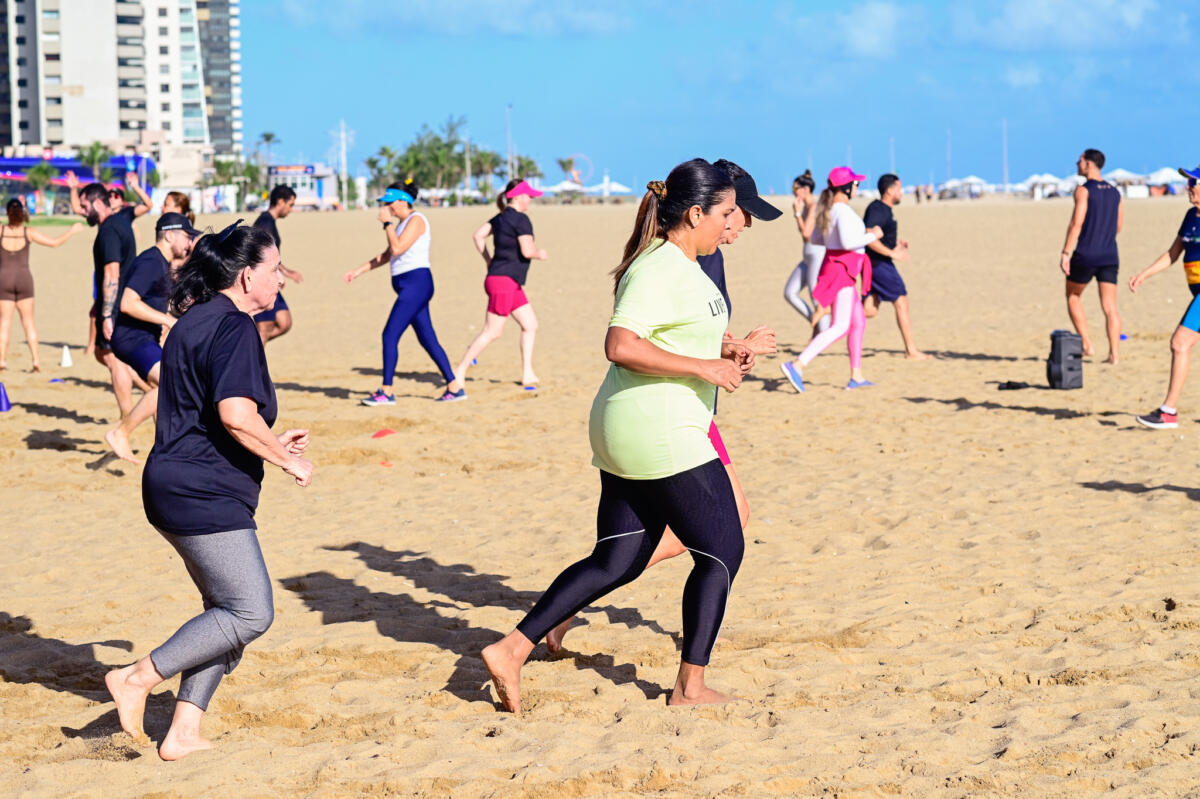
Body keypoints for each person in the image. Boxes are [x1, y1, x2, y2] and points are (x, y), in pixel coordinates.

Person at [482, 159, 752, 712]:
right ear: (694, 213)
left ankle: (511, 649)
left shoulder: (684, 264)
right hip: (659, 428)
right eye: (724, 212)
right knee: (722, 549)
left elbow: (672, 336)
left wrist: (727, 350)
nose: (730, 222)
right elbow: (621, 345)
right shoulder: (657, 266)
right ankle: (689, 689)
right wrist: (704, 368)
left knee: (619, 557)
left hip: (637, 425)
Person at [545, 157, 779, 654]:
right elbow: (637, 339)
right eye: (741, 213)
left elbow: (689, 330)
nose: (745, 225)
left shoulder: (701, 252)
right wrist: (712, 362)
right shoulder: (689, 255)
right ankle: (577, 611)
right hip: (673, 414)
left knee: (653, 543)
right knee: (717, 534)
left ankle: (571, 608)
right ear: (709, 209)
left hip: (688, 408)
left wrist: (734, 346)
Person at [103, 221, 314, 761]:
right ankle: (134, 678)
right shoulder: (235, 327)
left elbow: (210, 412)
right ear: (246, 277)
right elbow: (235, 414)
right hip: (201, 492)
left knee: (222, 613)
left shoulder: (193, 318)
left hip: (172, 483)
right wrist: (286, 459)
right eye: (275, 270)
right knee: (250, 612)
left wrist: (271, 440)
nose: (281, 279)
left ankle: (183, 732)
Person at [343, 178, 460, 404]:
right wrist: (358, 271)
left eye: (390, 202)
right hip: (409, 286)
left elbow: (397, 248)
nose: (386, 207)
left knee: (389, 335)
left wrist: (387, 223)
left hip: (417, 284)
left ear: (403, 201)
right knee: (427, 339)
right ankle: (454, 387)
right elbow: (387, 255)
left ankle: (386, 392)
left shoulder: (417, 220)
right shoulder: (401, 225)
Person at [105, 213, 200, 462]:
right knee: (169, 382)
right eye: (186, 236)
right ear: (169, 235)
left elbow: (152, 302)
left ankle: (166, 445)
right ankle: (120, 433)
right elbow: (128, 303)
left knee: (165, 389)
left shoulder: (162, 263)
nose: (189, 242)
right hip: (132, 338)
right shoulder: (150, 261)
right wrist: (167, 320)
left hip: (144, 338)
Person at [780, 167, 882, 392]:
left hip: (841, 269)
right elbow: (847, 242)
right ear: (846, 188)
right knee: (840, 326)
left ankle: (856, 376)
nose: (857, 188)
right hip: (841, 271)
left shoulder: (830, 210)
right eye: (856, 184)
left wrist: (835, 240)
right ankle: (797, 365)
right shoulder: (841, 211)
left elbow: (816, 238)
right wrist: (872, 235)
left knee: (858, 322)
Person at [450, 179, 549, 393]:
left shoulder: (500, 217)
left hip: (506, 281)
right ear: (518, 197)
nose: (531, 200)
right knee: (493, 331)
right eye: (529, 196)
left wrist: (488, 260)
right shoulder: (522, 220)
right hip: (504, 282)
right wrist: (539, 254)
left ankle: (527, 373)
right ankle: (459, 370)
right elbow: (527, 251)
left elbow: (478, 236)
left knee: (530, 324)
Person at [1129, 166, 1200, 429]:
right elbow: (1173, 253)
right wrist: (1144, 274)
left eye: (1193, 182)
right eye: (1188, 182)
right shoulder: (1191, 216)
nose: (1188, 187)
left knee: (1179, 343)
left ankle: (1168, 411)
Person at [0, 198, 84, 371]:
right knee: (28, 322)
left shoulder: (1, 231)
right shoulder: (28, 232)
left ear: (7, 213)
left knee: (4, 323)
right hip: (24, 279)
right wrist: (71, 231)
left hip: (4, 279)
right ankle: (36, 361)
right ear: (22, 212)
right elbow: (54, 243)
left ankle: (1, 361)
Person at [78, 181, 140, 416]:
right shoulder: (119, 223)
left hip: (115, 304)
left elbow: (112, 274)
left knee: (114, 358)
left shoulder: (109, 231)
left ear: (97, 203)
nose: (83, 212)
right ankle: (150, 391)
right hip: (120, 300)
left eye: (85, 207)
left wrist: (106, 314)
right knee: (102, 353)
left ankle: (128, 416)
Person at [1060, 148, 1123, 364]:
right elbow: (1118, 226)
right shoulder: (1115, 192)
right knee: (1110, 307)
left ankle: (1087, 344)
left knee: (1073, 295)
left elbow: (1076, 223)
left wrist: (1066, 252)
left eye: (1079, 161)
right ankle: (1114, 354)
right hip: (1109, 254)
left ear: (1089, 164)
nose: (1076, 164)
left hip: (1087, 253)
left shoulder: (1083, 190)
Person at [862, 173, 929, 360]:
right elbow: (869, 237)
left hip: (877, 262)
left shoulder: (885, 210)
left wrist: (896, 244)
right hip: (878, 264)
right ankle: (911, 350)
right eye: (899, 188)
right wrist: (892, 253)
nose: (901, 192)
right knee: (901, 300)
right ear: (890, 191)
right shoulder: (877, 209)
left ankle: (830, 313)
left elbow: (879, 236)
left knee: (869, 310)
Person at [252, 185, 304, 344]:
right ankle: (250, 355)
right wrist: (279, 273)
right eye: (290, 205)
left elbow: (272, 256)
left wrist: (286, 272)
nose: (291, 210)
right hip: (260, 280)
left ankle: (250, 345)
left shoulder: (269, 221)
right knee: (264, 328)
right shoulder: (265, 223)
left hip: (270, 278)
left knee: (284, 322)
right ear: (281, 201)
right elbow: (261, 256)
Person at [782, 170, 830, 333]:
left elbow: (806, 234)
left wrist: (797, 213)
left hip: (817, 254)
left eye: (796, 189)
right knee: (790, 292)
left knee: (815, 296)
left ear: (806, 189)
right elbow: (805, 236)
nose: (794, 192)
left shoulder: (814, 207)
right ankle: (817, 325)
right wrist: (799, 213)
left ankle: (823, 333)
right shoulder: (806, 207)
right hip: (808, 255)